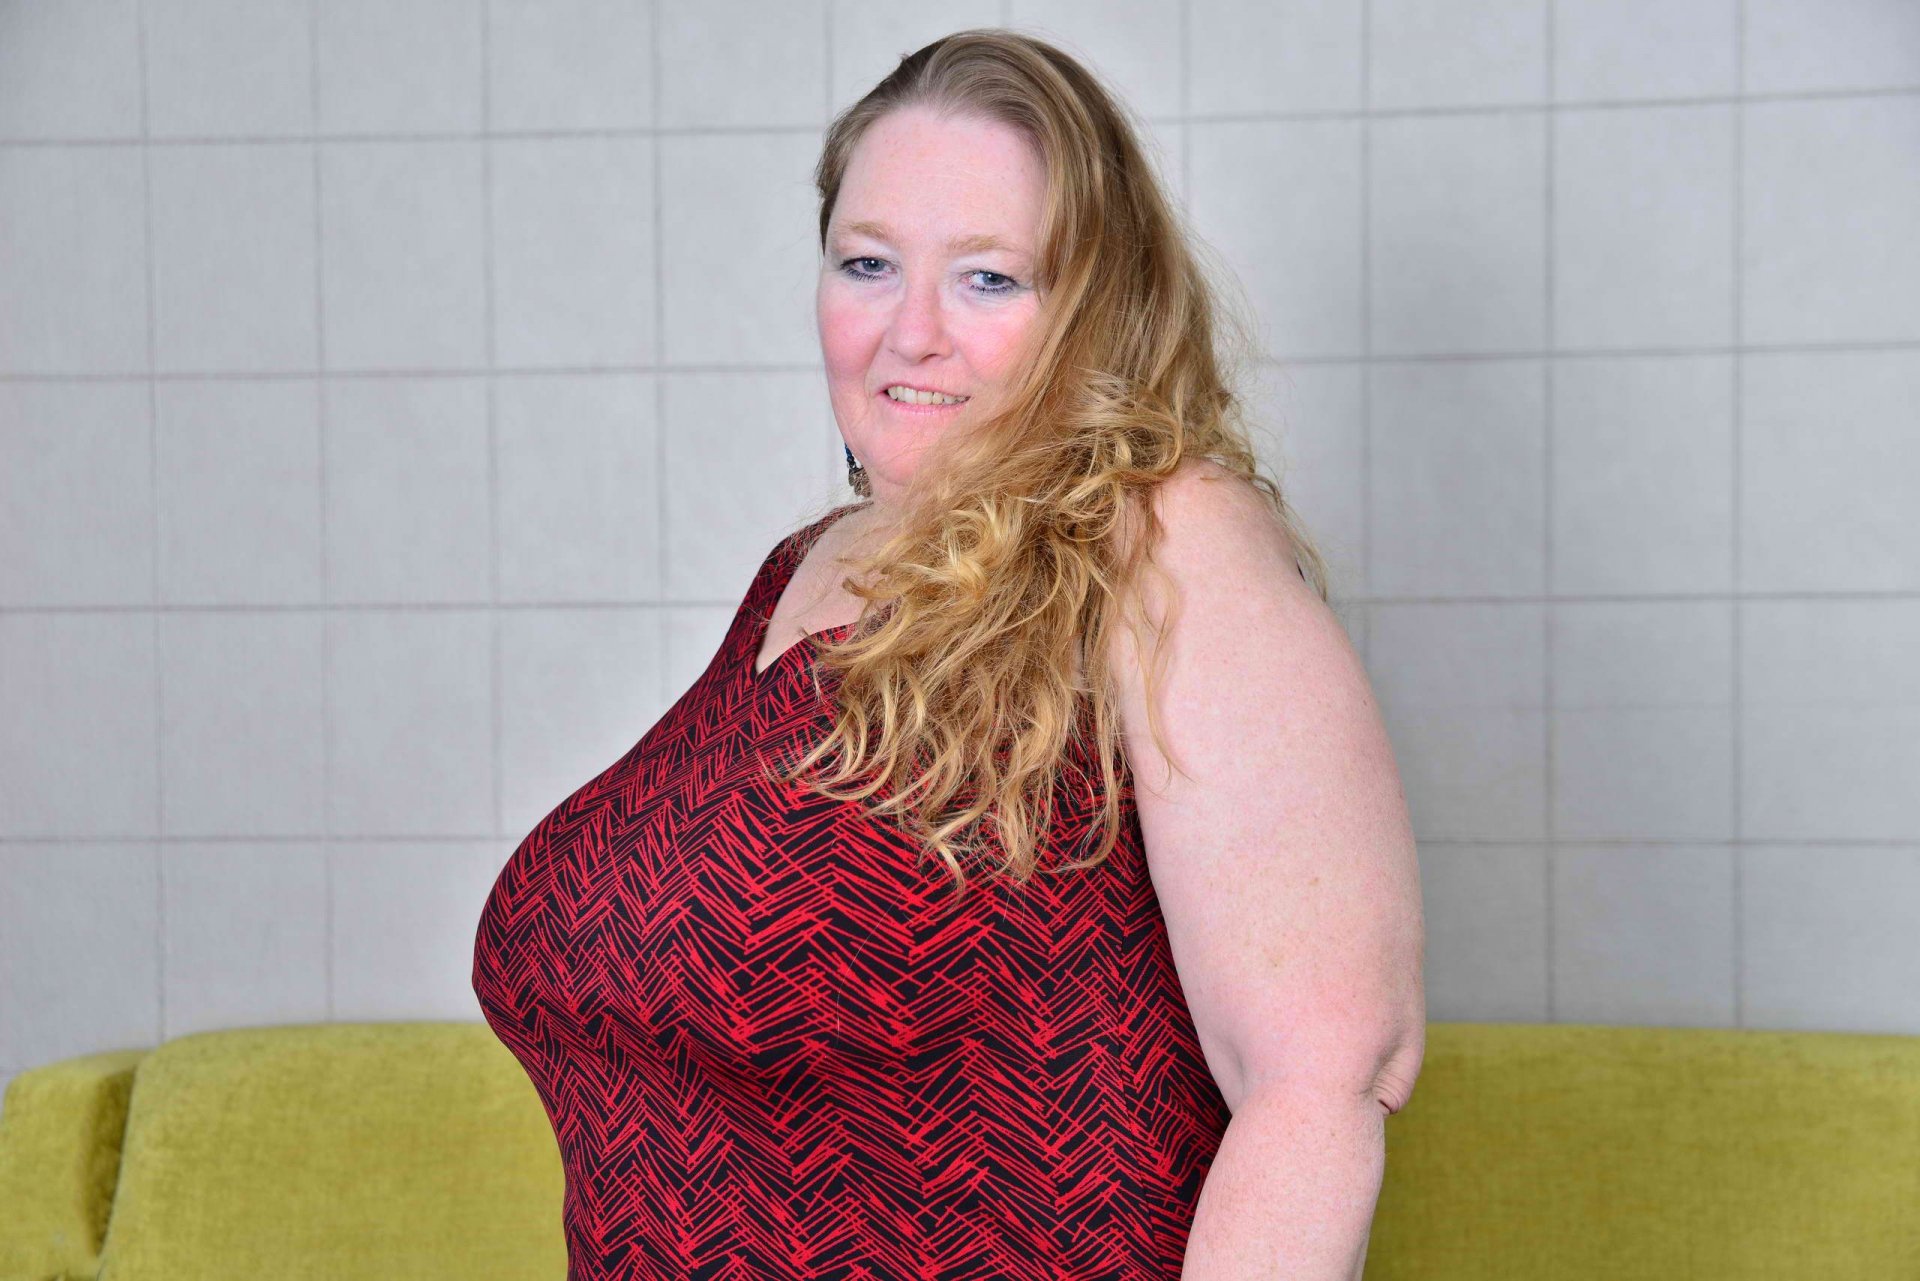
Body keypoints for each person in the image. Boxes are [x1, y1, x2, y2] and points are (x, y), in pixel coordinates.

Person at [474, 28, 1424, 1281]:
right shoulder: (807, 569)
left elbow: (1325, 1072)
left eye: (989, 278)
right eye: (868, 264)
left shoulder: (1165, 539)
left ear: (1098, 306)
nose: (910, 332)